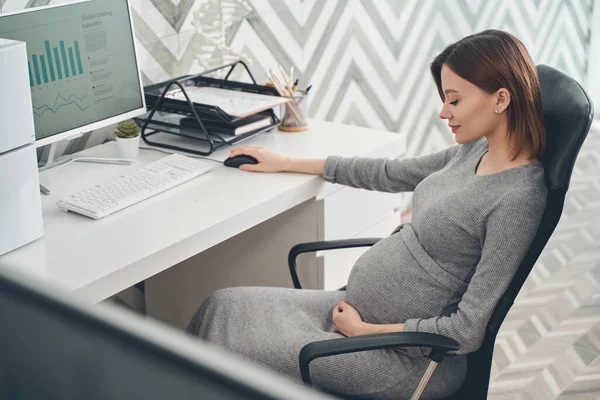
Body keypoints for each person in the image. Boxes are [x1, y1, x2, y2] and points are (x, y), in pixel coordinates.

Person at [186, 29, 547, 400]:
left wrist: (362, 332)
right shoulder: (473, 151)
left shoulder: (518, 198)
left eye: (454, 100)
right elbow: (389, 172)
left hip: (405, 359)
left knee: (228, 352)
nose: (443, 112)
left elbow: (466, 331)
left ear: (501, 99)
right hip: (350, 315)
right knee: (222, 308)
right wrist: (287, 162)